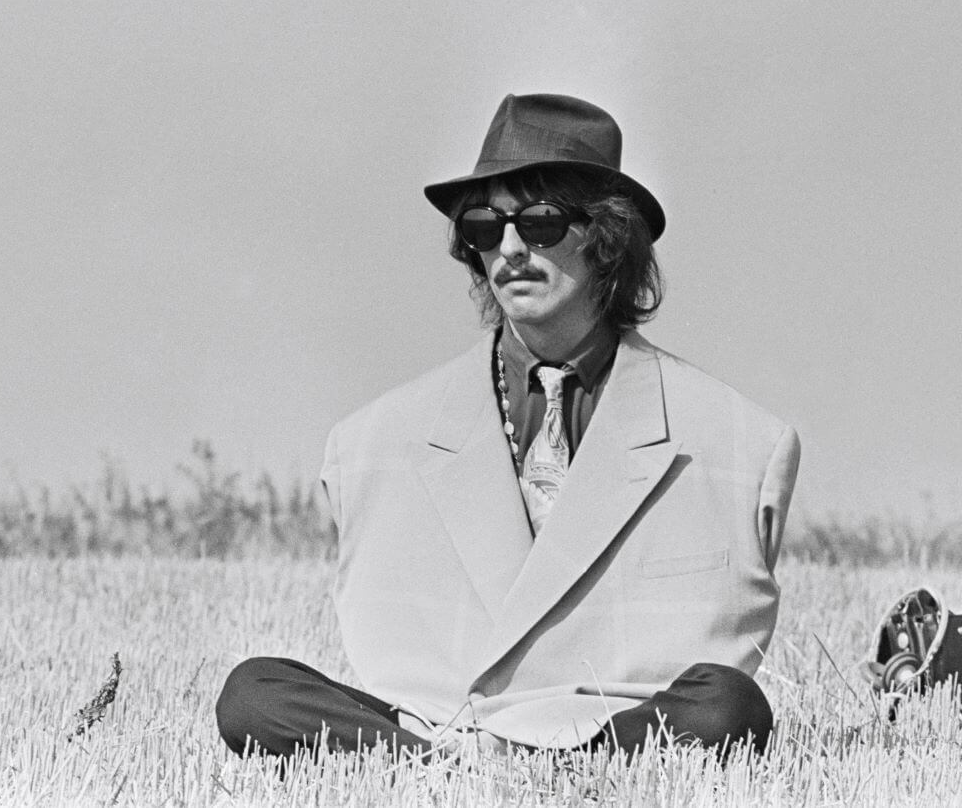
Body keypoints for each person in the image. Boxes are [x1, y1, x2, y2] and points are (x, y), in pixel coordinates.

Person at [215, 93, 801, 761]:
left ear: (609, 238)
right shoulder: (367, 441)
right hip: (433, 729)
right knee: (253, 693)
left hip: (604, 731)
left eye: (543, 222)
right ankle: (455, 768)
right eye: (486, 227)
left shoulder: (741, 439)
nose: (511, 248)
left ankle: (516, 770)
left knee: (730, 707)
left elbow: (716, 681)